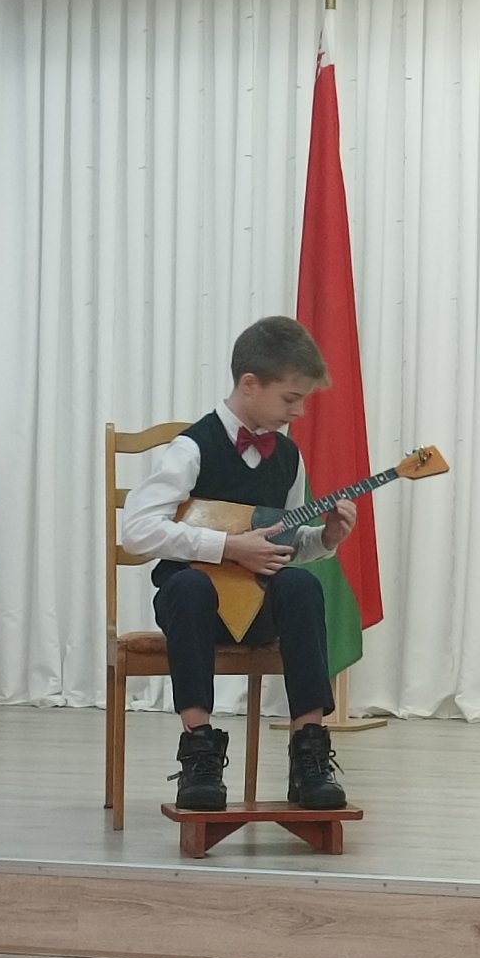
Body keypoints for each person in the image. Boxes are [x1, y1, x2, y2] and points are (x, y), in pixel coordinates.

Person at [121, 316, 359, 812]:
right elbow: (137, 531)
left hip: (260, 610)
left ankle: (309, 752)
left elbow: (284, 541)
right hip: (197, 613)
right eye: (290, 398)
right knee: (187, 588)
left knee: (301, 588)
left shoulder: (288, 457)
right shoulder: (192, 448)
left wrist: (325, 538)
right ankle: (199, 752)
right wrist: (227, 547)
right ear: (250, 384)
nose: (298, 411)